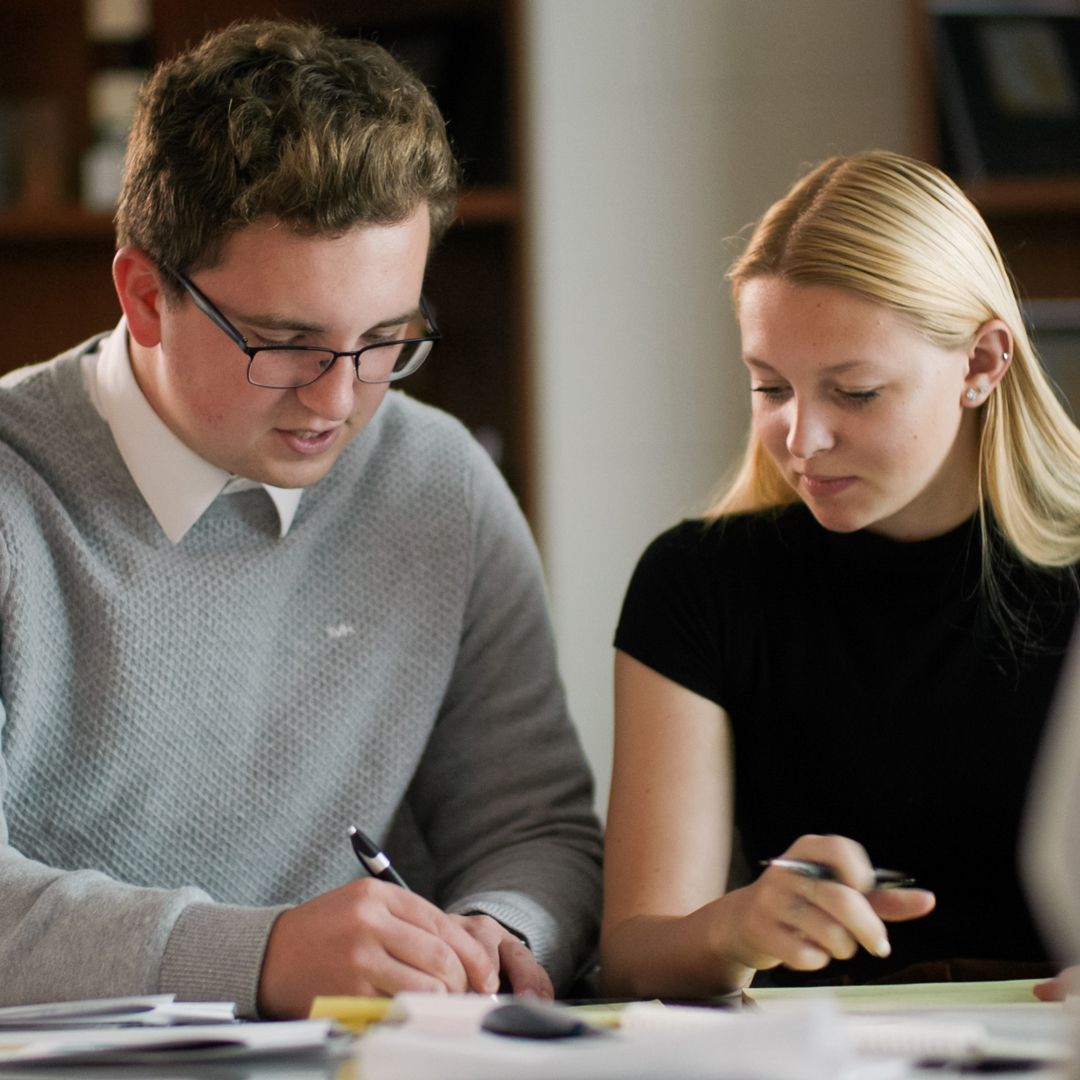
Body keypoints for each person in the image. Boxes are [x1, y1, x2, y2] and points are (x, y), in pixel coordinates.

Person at [0, 21, 602, 1018]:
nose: (339, 402)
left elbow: (535, 828)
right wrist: (256, 953)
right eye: (285, 344)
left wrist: (501, 931)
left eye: (384, 340)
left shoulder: (438, 482)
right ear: (145, 295)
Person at [602, 150, 1080, 997]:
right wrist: (735, 927)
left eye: (854, 392)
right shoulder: (697, 584)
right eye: (770, 386)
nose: (801, 438)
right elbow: (633, 956)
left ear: (982, 364)